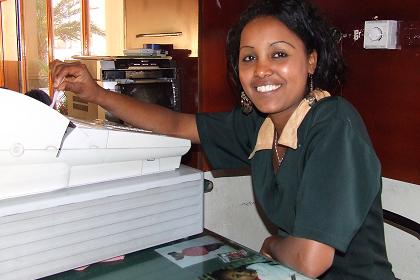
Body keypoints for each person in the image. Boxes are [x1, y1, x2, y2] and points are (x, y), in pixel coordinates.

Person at [50, 0, 395, 279]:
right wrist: (96, 93)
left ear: (311, 61)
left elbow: (310, 260)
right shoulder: (261, 125)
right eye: (249, 58)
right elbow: (174, 124)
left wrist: (274, 245)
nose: (261, 70)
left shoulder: (333, 123)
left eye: (279, 54)